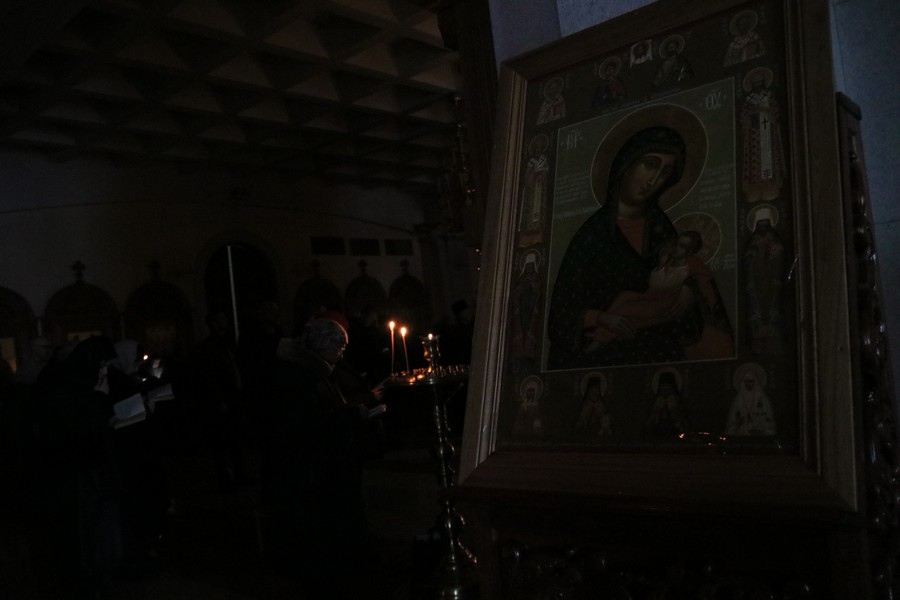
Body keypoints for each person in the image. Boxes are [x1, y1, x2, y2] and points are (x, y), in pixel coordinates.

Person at [548, 125, 711, 368]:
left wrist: (689, 296)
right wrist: (601, 318)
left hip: (659, 357)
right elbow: (560, 314)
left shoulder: (661, 227)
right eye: (650, 165)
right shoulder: (592, 235)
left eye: (665, 172)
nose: (654, 181)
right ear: (627, 164)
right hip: (605, 362)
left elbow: (686, 278)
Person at [260, 317, 380, 598]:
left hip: (321, 466)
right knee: (320, 536)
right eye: (339, 347)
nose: (342, 354)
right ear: (323, 346)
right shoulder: (301, 376)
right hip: (313, 473)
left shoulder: (312, 369)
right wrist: (353, 415)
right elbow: (310, 423)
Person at [584, 230, 734, 360]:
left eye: (682, 246)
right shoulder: (667, 259)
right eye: (677, 244)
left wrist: (708, 301)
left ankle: (599, 339)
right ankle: (600, 329)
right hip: (650, 297)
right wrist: (663, 263)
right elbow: (652, 280)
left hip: (664, 302)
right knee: (624, 296)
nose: (676, 248)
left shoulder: (691, 265)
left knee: (625, 311)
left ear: (690, 252)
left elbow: (705, 283)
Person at [725, 363, 775, 435]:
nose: (749, 383)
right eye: (747, 381)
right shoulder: (738, 401)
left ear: (755, 381)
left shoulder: (762, 399)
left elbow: (769, 421)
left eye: (751, 381)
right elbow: (731, 424)